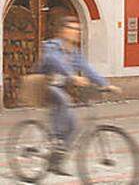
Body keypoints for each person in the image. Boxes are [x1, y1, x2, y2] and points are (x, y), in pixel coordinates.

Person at [35, 14, 119, 176]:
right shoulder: (52, 46)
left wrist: (106, 84)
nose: (76, 32)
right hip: (45, 86)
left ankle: (57, 160)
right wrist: (71, 76)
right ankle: (56, 140)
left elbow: (87, 68)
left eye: (78, 29)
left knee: (73, 123)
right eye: (72, 29)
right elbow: (54, 60)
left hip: (61, 88)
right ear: (62, 31)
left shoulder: (74, 52)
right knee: (63, 101)